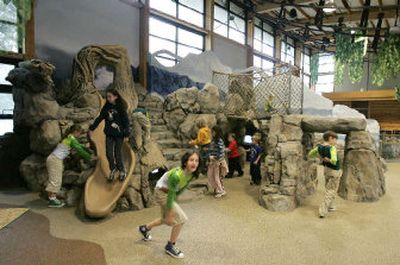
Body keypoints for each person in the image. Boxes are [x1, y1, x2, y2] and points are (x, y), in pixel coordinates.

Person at [138, 151, 200, 259]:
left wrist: (175, 200)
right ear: (185, 162)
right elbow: (171, 193)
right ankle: (170, 246)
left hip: (169, 192)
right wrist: (171, 210)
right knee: (181, 219)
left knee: (166, 219)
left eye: (196, 160)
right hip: (161, 192)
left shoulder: (192, 174)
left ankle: (145, 228)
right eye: (191, 160)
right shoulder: (176, 175)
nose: (194, 163)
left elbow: (181, 188)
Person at [46, 125, 96, 208]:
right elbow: (79, 150)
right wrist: (90, 157)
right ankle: (52, 200)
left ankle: (52, 198)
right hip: (55, 159)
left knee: (55, 178)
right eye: (79, 133)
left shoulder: (69, 138)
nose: (79, 135)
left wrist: (86, 147)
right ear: (76, 132)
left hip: (54, 159)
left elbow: (78, 146)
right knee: (55, 179)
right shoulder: (71, 139)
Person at [89, 88, 130, 182]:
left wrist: (126, 134)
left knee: (117, 153)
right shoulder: (106, 108)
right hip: (109, 134)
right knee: (108, 153)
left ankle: (122, 170)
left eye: (110, 97)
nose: (108, 98)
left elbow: (126, 122)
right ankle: (113, 169)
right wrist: (92, 128)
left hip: (119, 134)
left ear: (115, 97)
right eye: (107, 97)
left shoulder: (120, 107)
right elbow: (99, 118)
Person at [308, 131, 342, 219]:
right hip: (334, 171)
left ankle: (331, 206)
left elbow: (310, 154)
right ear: (330, 138)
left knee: (330, 188)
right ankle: (322, 211)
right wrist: (329, 160)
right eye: (335, 139)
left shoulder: (319, 147)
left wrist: (321, 157)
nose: (336, 142)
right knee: (331, 190)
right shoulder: (332, 148)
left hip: (326, 170)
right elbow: (334, 160)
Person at [208, 126, 228, 198]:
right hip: (213, 161)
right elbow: (212, 150)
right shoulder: (214, 140)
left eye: (213, 132)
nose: (212, 133)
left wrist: (216, 158)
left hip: (217, 162)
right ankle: (217, 189)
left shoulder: (219, 141)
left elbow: (220, 152)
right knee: (211, 176)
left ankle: (221, 191)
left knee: (217, 177)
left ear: (216, 132)